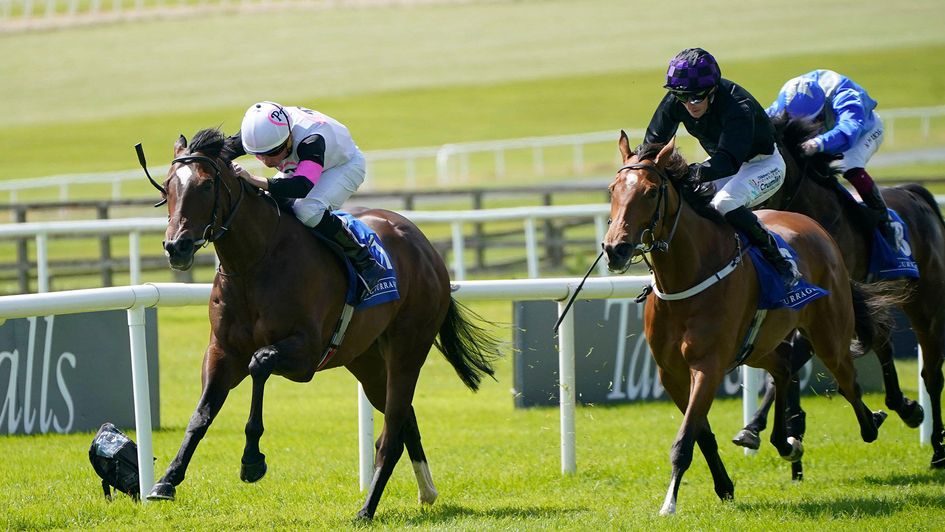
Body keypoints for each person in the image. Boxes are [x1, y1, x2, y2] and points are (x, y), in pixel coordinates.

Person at [644, 48, 799, 289]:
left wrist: (689, 173)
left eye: (697, 97)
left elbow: (727, 162)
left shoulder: (738, 106)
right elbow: (652, 143)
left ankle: (779, 258)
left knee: (724, 204)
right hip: (724, 165)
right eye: (682, 97)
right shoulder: (678, 100)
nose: (689, 104)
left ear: (713, 89)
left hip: (762, 165)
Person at [227, 101, 387, 300]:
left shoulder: (312, 140)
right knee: (267, 202)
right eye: (259, 156)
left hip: (342, 165)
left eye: (273, 153)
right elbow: (221, 151)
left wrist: (252, 179)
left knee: (307, 210)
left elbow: (301, 187)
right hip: (302, 165)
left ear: (288, 139)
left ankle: (365, 261)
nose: (267, 162)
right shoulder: (259, 133)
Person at [766, 70, 895, 246]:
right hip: (827, 131)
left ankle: (883, 218)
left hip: (863, 131)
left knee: (850, 165)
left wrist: (818, 142)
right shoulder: (786, 103)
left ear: (822, 107)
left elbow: (850, 129)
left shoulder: (844, 94)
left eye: (813, 120)